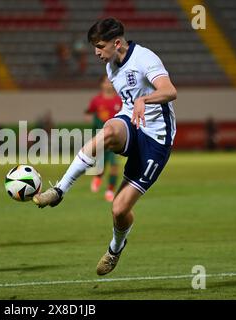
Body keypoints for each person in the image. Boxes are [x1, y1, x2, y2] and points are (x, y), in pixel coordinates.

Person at [33, 18, 177, 276]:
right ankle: (60, 190)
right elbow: (128, 102)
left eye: (100, 46)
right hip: (131, 124)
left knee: (120, 210)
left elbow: (169, 90)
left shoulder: (145, 58)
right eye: (94, 47)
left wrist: (146, 98)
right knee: (107, 131)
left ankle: (115, 248)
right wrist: (132, 109)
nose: (96, 52)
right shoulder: (111, 67)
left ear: (117, 42)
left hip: (156, 138)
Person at [85, 74, 122, 202]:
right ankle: (98, 176)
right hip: (100, 137)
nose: (108, 84)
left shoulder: (120, 100)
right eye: (106, 82)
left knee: (114, 164)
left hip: (116, 138)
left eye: (110, 82)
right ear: (101, 84)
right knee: (101, 163)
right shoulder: (96, 100)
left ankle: (110, 190)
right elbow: (88, 112)